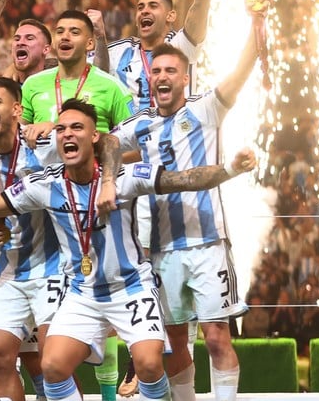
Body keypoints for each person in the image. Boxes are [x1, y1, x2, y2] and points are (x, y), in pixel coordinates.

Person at [0, 99, 258, 401]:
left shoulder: (123, 177)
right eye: (61, 129)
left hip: (131, 289)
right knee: (52, 366)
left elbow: (183, 179)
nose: (67, 134)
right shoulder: (44, 185)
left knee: (150, 364)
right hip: (83, 293)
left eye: (77, 128)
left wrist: (229, 169)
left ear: (94, 137)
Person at [112, 24, 260, 401]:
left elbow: (242, 71)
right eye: (156, 71)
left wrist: (255, 26)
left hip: (208, 242)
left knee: (215, 335)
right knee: (175, 340)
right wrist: (106, 179)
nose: (161, 76)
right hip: (162, 248)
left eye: (169, 71)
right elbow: (105, 143)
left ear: (185, 77)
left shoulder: (206, 108)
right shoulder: (139, 124)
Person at [0, 79, 61, 401]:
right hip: (8, 266)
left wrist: (56, 123)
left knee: (54, 361)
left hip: (54, 265)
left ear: (18, 110)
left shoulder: (45, 145)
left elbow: (90, 141)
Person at [102, 0, 211, 109]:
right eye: (140, 7)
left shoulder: (181, 45)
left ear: (171, 16)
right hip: (128, 136)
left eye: (153, 6)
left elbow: (202, 2)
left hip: (174, 134)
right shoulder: (117, 52)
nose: (144, 11)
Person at [22, 11, 133, 136]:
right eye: (59, 32)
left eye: (74, 32)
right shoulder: (32, 84)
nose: (65, 36)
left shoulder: (112, 87)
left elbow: (133, 145)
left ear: (89, 44)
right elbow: (16, 137)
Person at [4, 20, 54, 84]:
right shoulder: (5, 89)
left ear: (46, 49)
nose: (20, 42)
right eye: (17, 39)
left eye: (30, 38)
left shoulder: (57, 87)